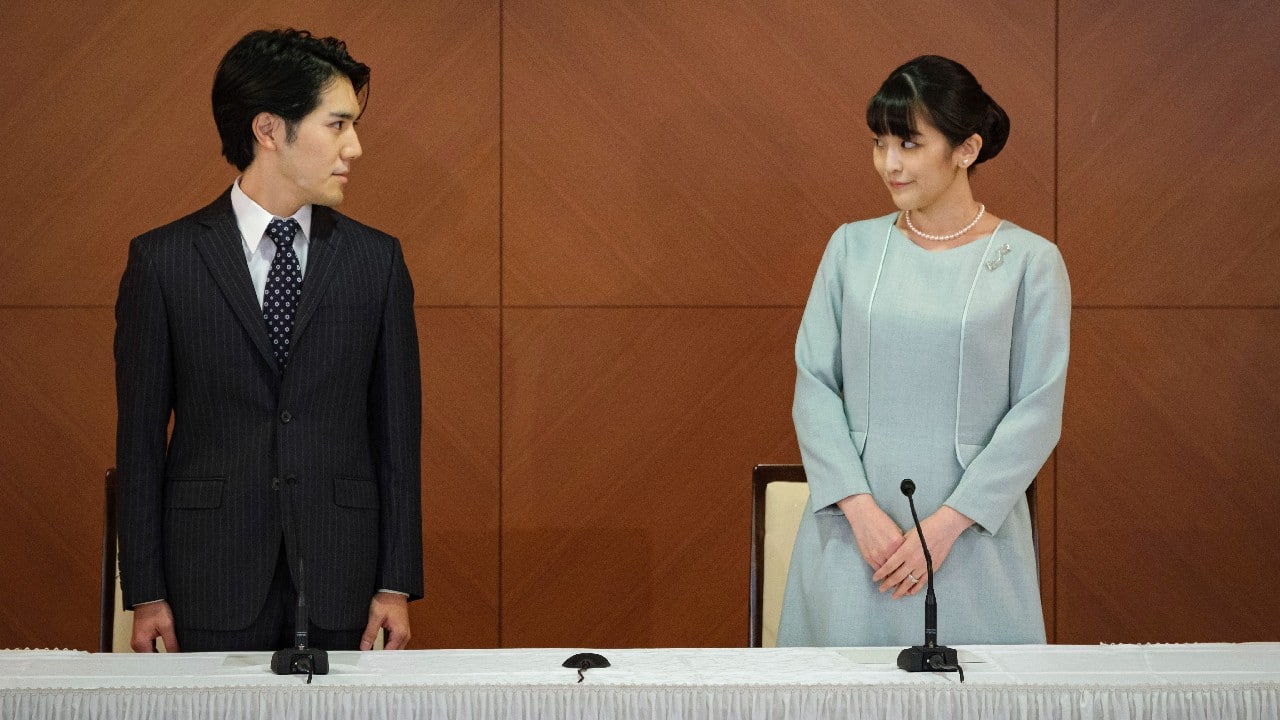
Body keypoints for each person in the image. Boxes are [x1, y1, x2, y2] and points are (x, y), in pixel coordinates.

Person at [114, 28, 423, 653]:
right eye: (337, 124)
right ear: (269, 129)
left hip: (345, 578)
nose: (355, 147)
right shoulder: (163, 261)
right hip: (205, 579)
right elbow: (140, 440)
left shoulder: (377, 262)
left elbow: (397, 436)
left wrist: (395, 584)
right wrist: (145, 592)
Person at [778, 55, 1069, 646]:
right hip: (854, 540)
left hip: (971, 543)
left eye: (909, 143)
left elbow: (1037, 411)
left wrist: (944, 527)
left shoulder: (1031, 263)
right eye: (880, 142)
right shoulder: (850, 248)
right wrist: (861, 513)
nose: (890, 163)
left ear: (966, 149)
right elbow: (814, 384)